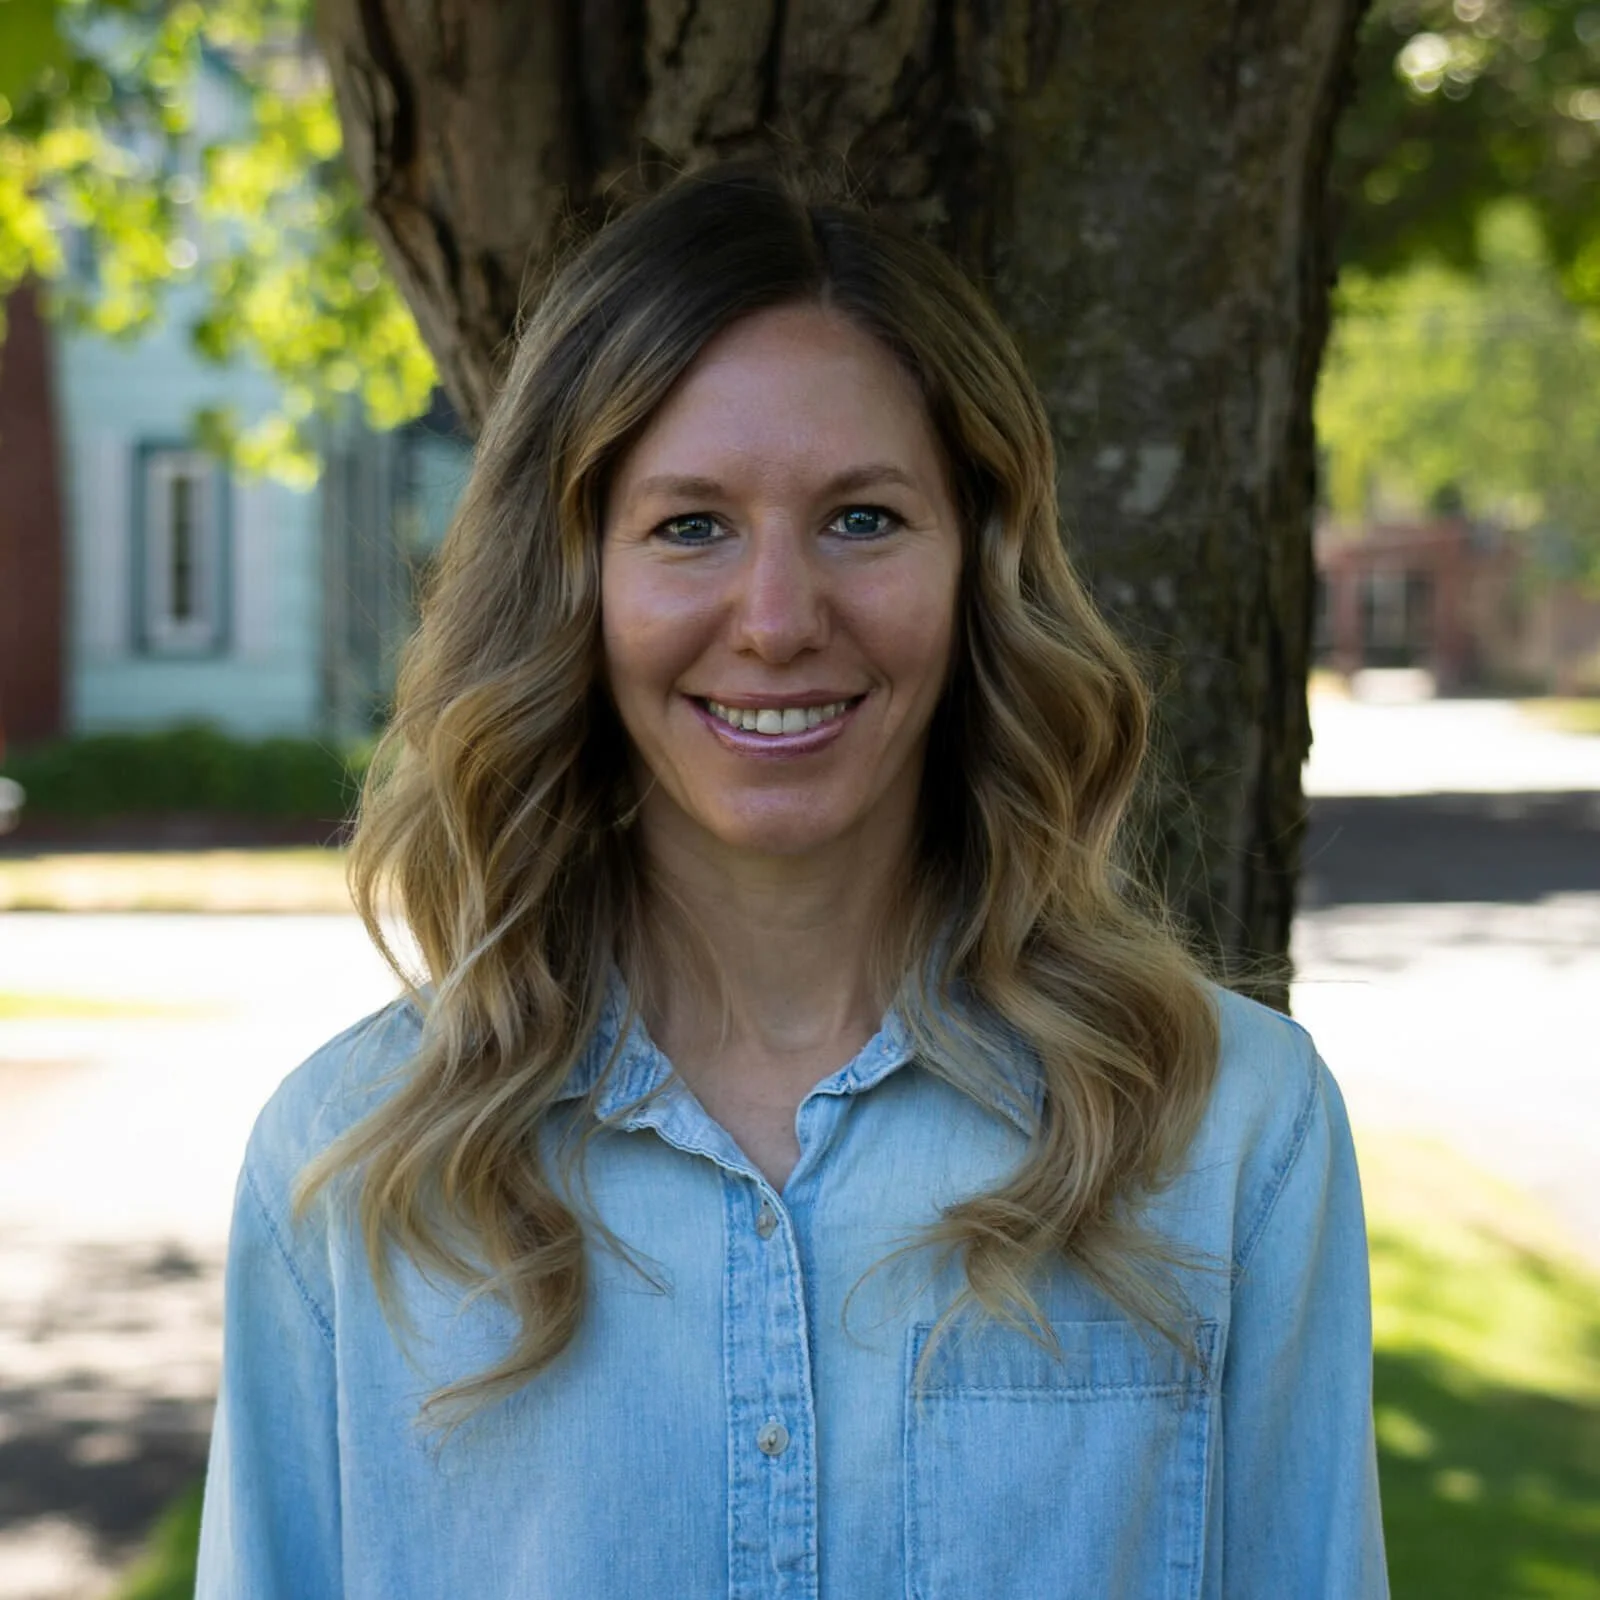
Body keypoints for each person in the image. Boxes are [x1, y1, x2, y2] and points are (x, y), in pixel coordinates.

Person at [195, 162, 1387, 1598]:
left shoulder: (1224, 1133)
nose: (776, 621)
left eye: (863, 519)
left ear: (979, 567)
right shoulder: (359, 1170)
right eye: (689, 524)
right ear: (571, 581)